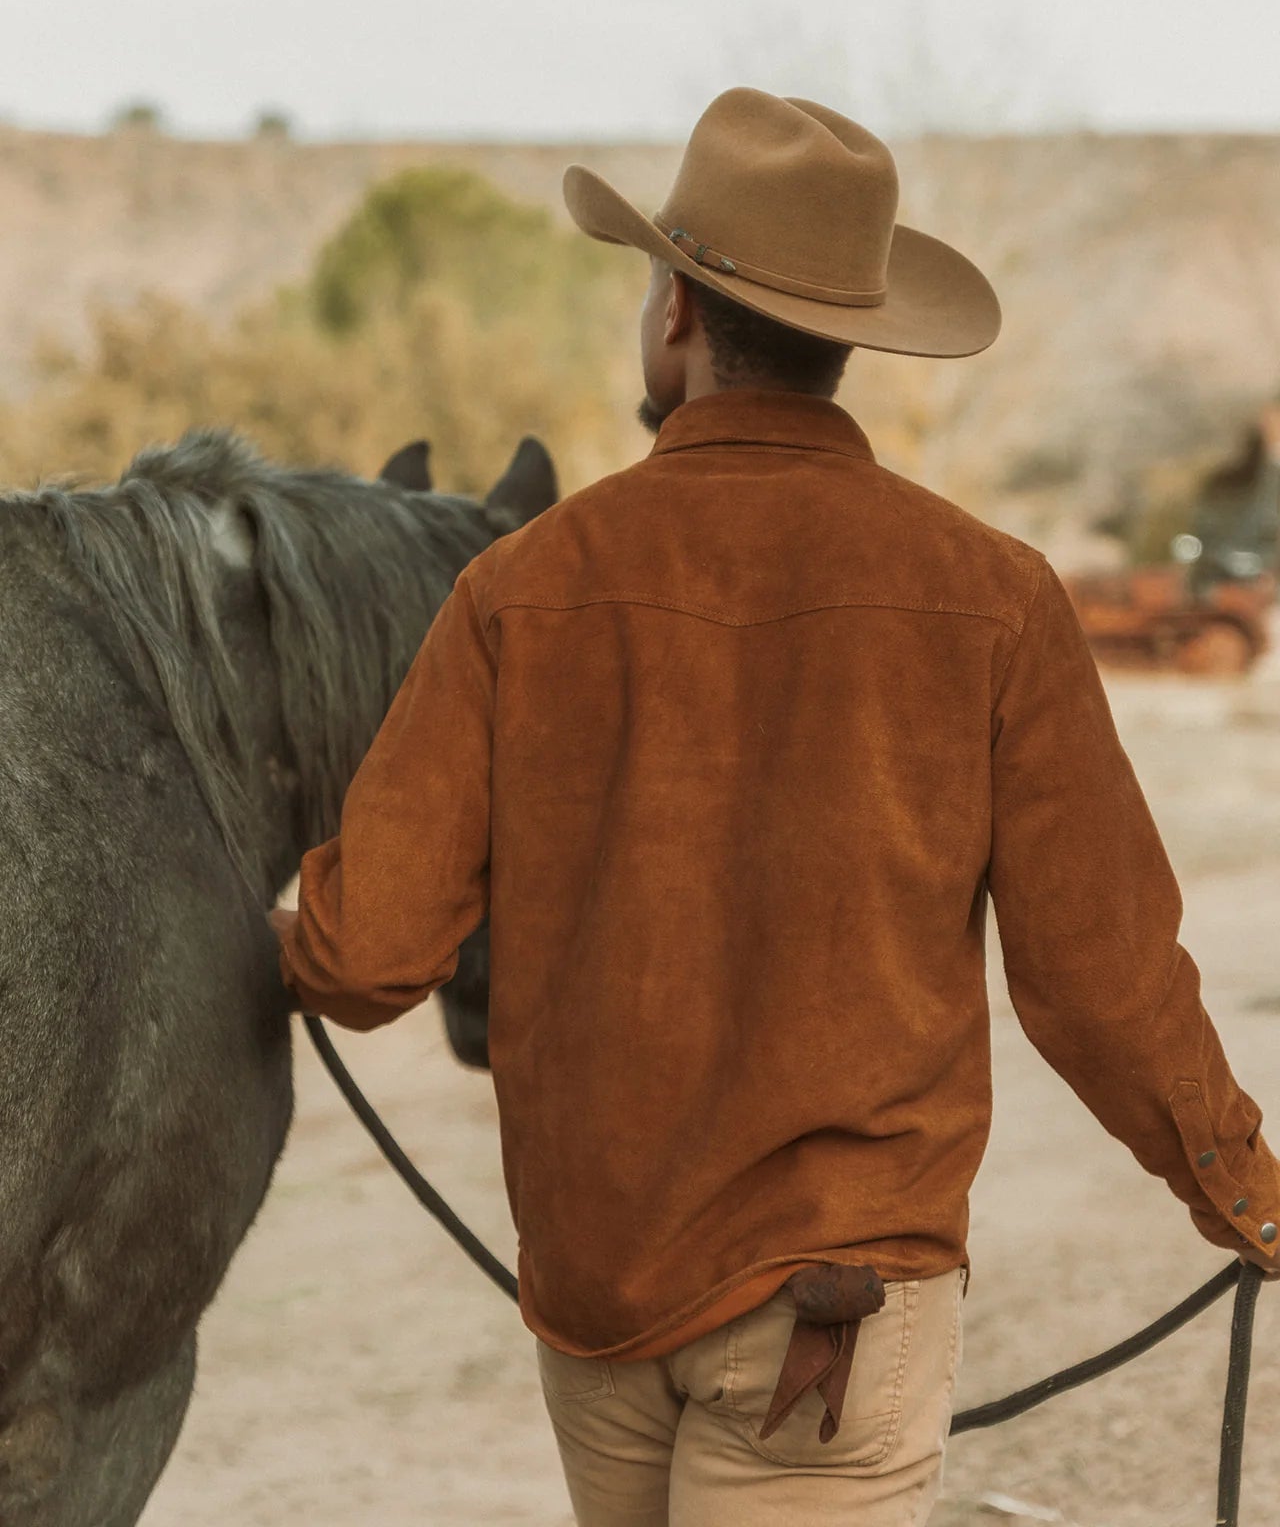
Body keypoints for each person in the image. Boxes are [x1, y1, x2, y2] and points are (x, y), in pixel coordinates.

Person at [272, 89, 1279, 1527]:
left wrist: (273, 939)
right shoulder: (993, 599)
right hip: (842, 1310)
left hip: (601, 1306)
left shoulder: (520, 590)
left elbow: (367, 957)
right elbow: (1104, 980)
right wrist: (1248, 1195)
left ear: (677, 311)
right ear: (848, 342)